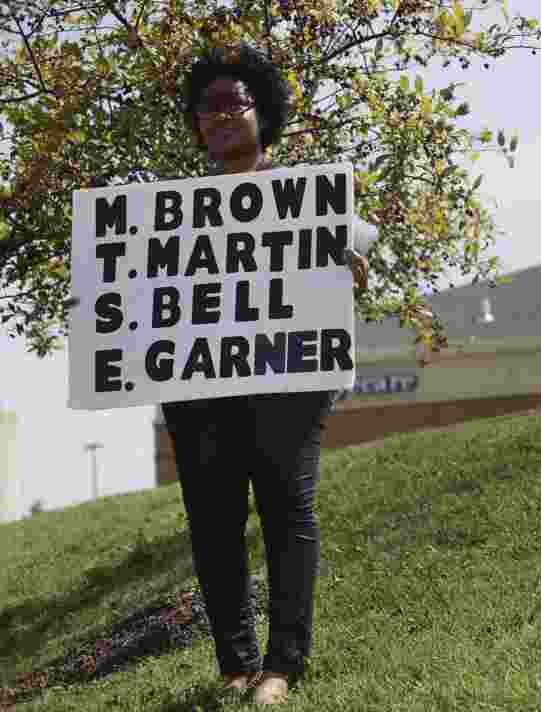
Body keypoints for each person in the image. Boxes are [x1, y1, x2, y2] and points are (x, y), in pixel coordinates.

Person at [162, 44, 369, 705]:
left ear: (263, 114)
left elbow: (342, 273)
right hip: (200, 390)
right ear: (195, 126)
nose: (220, 117)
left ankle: (282, 665)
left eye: (234, 104)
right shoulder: (165, 214)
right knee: (213, 522)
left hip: (286, 383)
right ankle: (236, 665)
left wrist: (349, 277)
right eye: (207, 109)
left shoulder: (309, 199)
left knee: (287, 514)